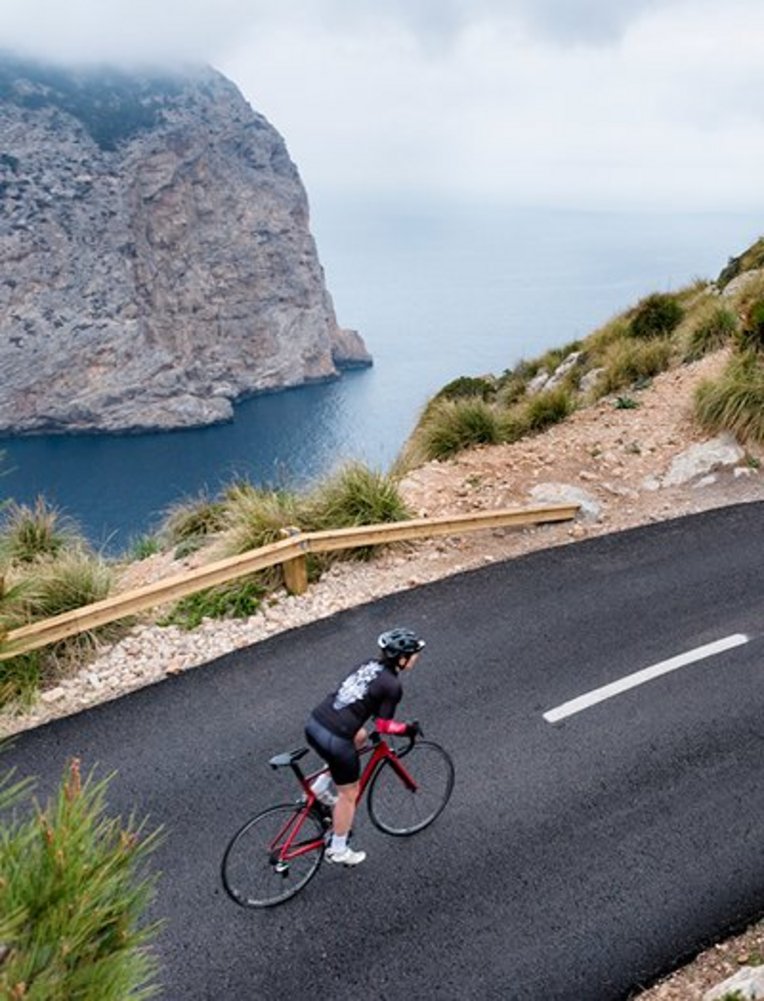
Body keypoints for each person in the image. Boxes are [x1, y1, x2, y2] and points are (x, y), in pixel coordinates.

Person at [304, 627, 425, 866]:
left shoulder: (368, 664)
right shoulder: (392, 685)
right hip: (335, 739)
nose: (416, 657)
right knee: (349, 794)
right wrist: (407, 729)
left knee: (359, 736)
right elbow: (383, 726)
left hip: (315, 724)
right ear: (401, 659)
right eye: (413, 654)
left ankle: (319, 786)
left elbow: (360, 697)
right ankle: (339, 848)